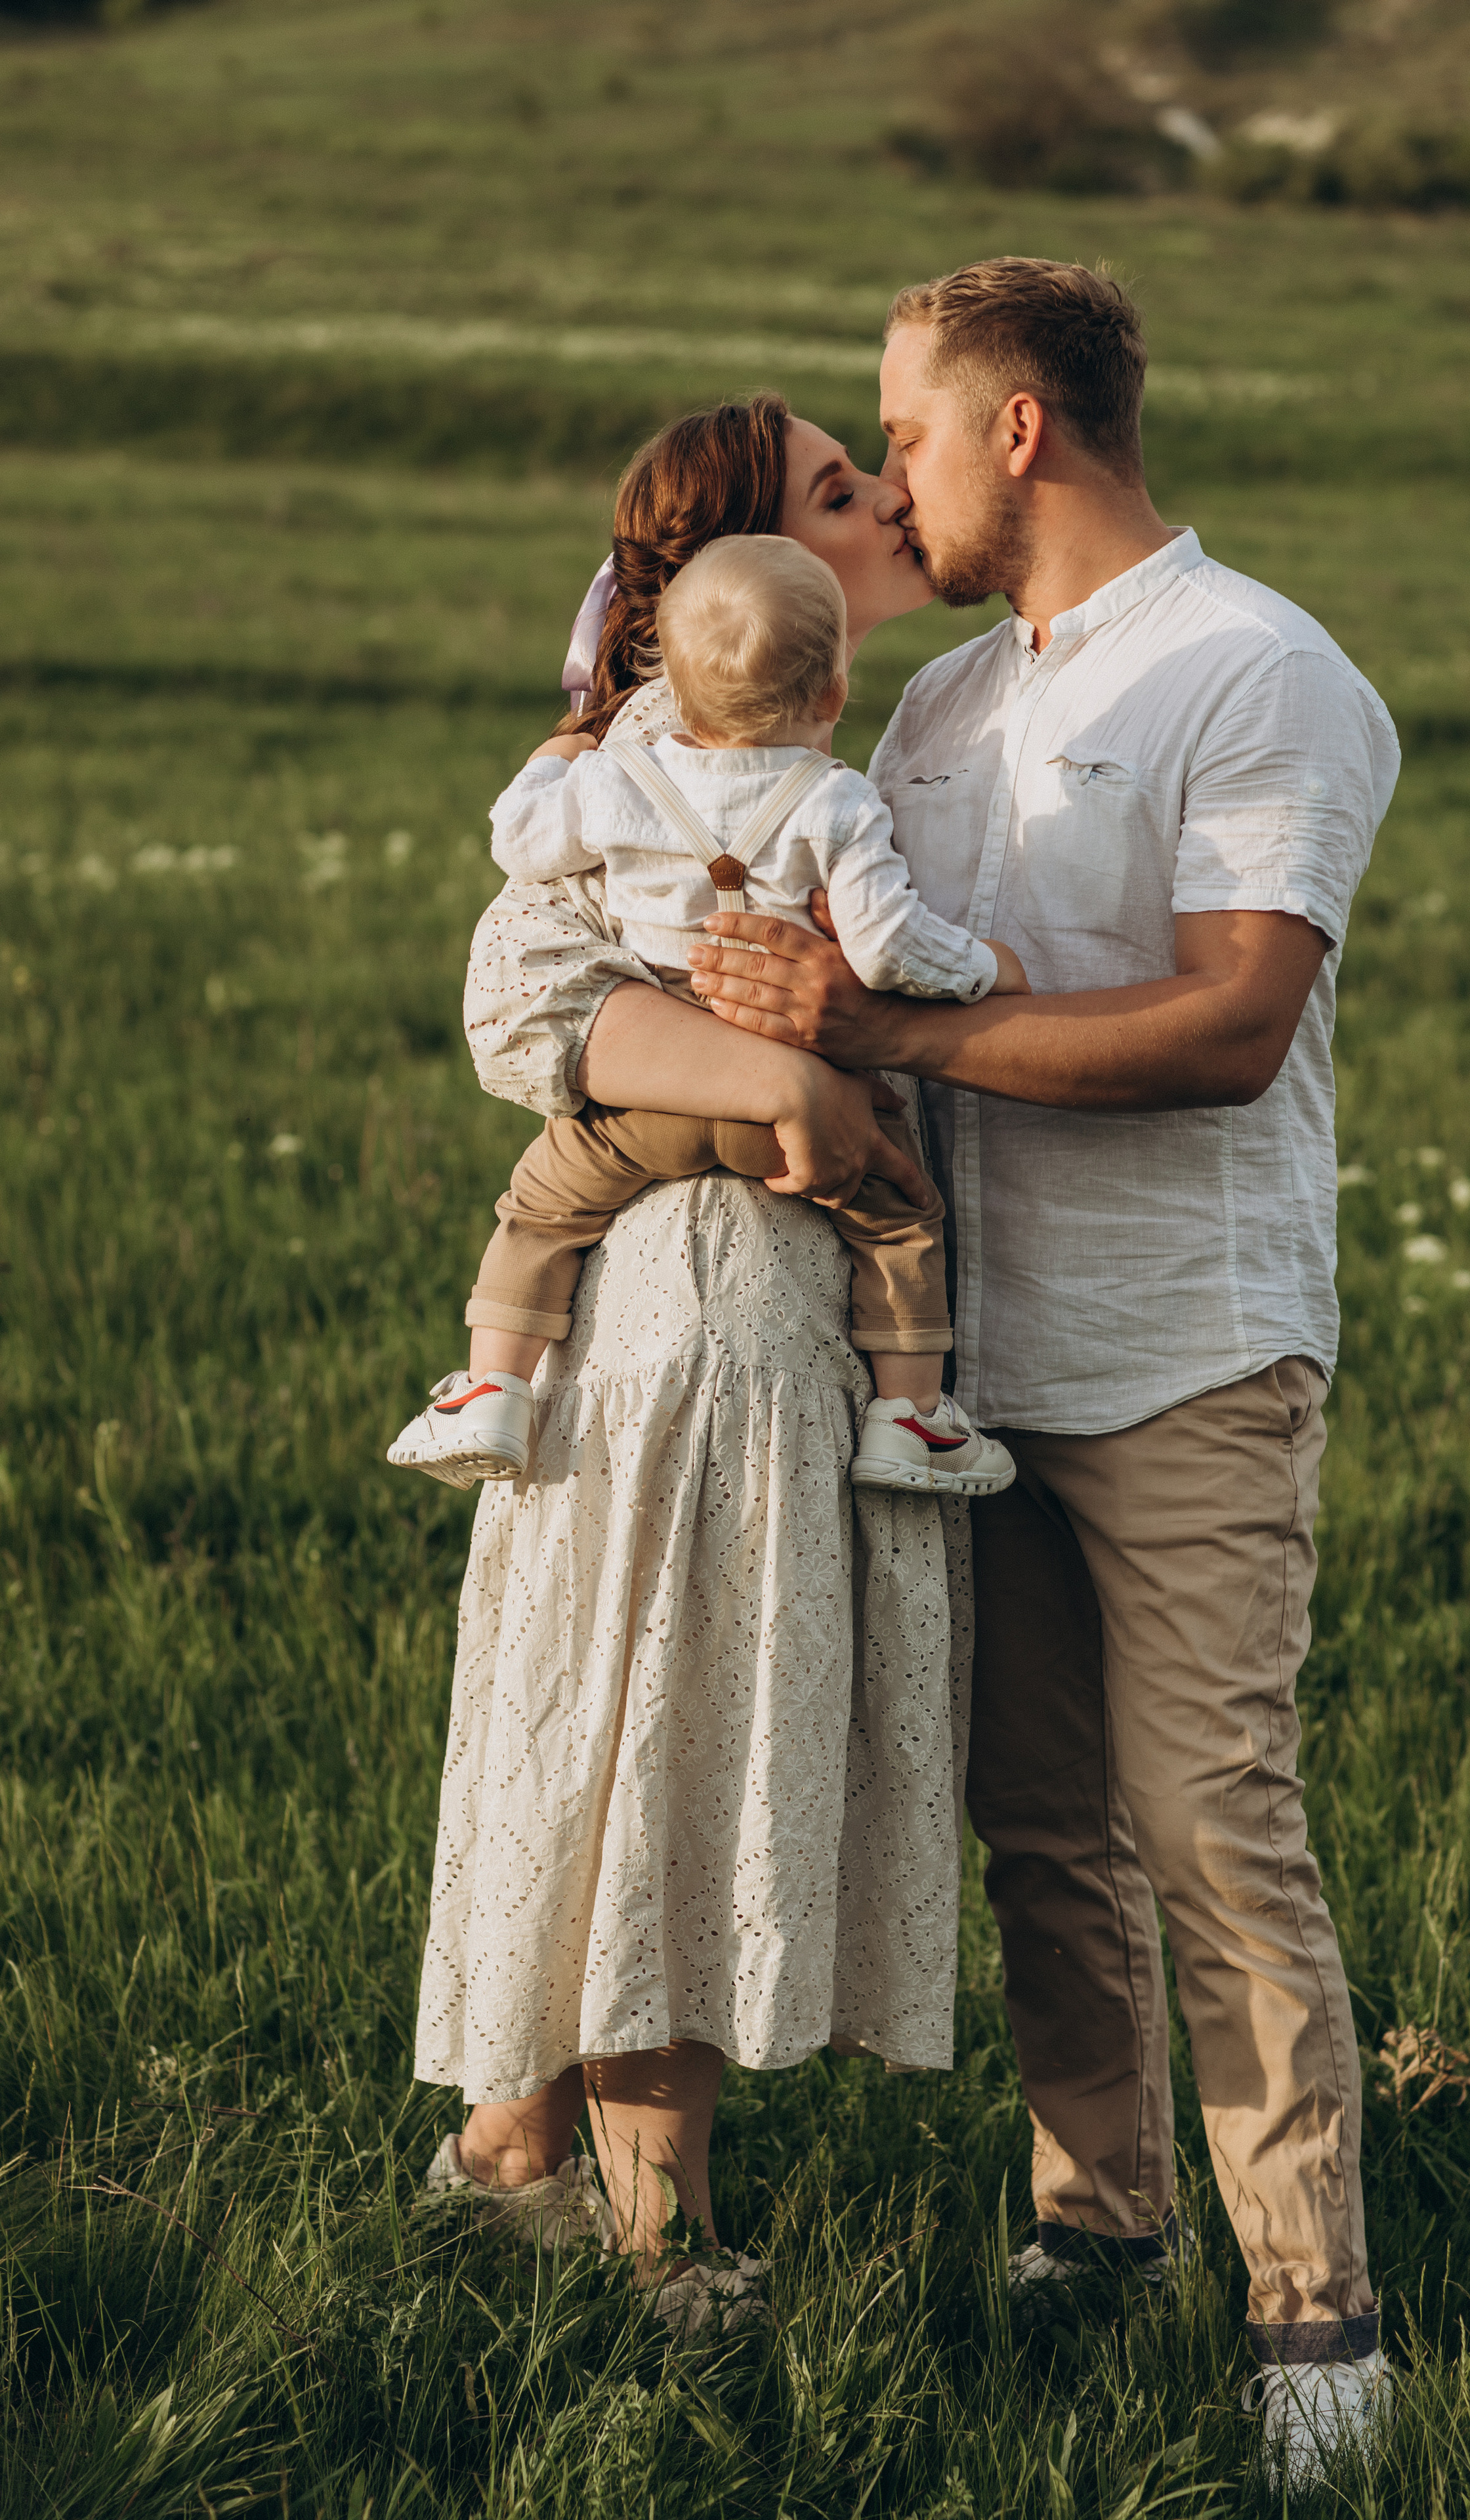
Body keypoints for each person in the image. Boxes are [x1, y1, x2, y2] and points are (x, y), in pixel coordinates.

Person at [686, 260, 1401, 2484]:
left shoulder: (1259, 670)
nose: (881, 482)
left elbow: (1229, 1026)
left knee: (1213, 1831)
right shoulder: (935, 717)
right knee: (1042, 1840)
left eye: (900, 433)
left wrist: (877, 1029)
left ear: (1017, 429)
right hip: (974, 1367)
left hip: (1190, 1350)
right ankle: (1097, 2226)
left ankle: (1320, 2328)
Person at [411, 394, 973, 2338]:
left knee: (618, 1698)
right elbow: (520, 1006)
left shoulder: (833, 740)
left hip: (714, 1300)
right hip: (713, 1302)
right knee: (687, 1725)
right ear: (755, 572)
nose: (890, 499)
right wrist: (802, 1083)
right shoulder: (660, 754)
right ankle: (663, 2240)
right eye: (842, 489)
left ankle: (513, 2149)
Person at [387, 534, 1022, 1502]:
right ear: (834, 696)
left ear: (674, 695)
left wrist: (560, 754)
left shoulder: (618, 781)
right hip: (793, 1091)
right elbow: (891, 947)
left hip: (656, 1085)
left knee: (542, 1207)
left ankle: (493, 1386)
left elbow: (517, 839)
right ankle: (909, 1418)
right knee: (898, 1221)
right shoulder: (838, 802)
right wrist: (985, 970)